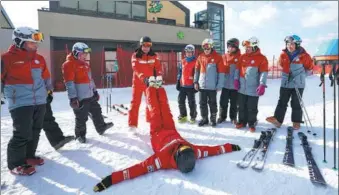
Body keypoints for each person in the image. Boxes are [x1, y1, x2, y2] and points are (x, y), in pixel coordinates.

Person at [92, 85, 241, 192]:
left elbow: (138, 169)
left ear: (177, 155)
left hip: (157, 132)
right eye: (185, 147)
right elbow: (213, 150)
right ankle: (160, 87)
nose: (182, 145)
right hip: (170, 128)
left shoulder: (160, 161)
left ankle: (151, 88)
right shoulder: (195, 151)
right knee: (165, 108)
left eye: (181, 148)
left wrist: (110, 180)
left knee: (156, 109)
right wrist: (229, 147)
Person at [1, 26, 52, 175]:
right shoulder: (6, 58)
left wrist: (48, 92)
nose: (35, 45)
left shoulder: (39, 59)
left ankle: (29, 157)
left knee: (35, 130)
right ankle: (16, 164)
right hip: (20, 102)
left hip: (39, 101)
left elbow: (46, 77)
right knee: (22, 132)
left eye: (35, 43)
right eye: (31, 43)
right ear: (19, 41)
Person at [62, 42, 113, 143]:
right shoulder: (68, 64)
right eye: (83, 54)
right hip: (80, 97)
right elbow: (69, 83)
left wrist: (95, 91)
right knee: (81, 117)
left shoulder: (85, 64)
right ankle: (80, 135)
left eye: (86, 54)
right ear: (75, 53)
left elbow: (91, 79)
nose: (85, 56)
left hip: (90, 94)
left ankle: (101, 127)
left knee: (97, 111)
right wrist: (73, 98)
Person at [266, 35, 314, 130]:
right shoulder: (283, 55)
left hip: (298, 83)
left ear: (297, 44)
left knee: (296, 102)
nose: (289, 46)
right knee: (282, 101)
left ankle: (296, 122)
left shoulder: (304, 56)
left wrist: (300, 76)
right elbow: (281, 64)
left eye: (292, 44)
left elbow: (309, 68)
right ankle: (278, 120)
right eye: (288, 44)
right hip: (286, 82)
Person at [129, 36, 162, 132]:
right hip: (138, 83)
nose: (146, 47)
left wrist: (159, 76)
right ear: (141, 45)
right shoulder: (135, 55)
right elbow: (136, 69)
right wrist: (143, 78)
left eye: (148, 45)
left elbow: (158, 67)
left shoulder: (154, 55)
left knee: (151, 102)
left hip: (150, 82)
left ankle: (150, 119)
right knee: (135, 102)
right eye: (144, 45)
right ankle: (132, 124)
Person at [235, 37, 268, 132]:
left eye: (249, 47)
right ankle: (241, 121)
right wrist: (236, 80)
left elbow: (264, 73)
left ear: (254, 47)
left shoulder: (262, 58)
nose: (247, 49)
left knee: (251, 107)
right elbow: (237, 69)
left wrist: (262, 84)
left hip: (253, 88)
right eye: (246, 48)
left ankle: (251, 123)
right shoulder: (242, 57)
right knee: (241, 106)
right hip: (242, 87)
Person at [194, 38, 225, 127]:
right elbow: (197, 71)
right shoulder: (200, 57)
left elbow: (221, 72)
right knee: (202, 103)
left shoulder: (218, 57)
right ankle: (204, 119)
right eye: (205, 48)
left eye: (208, 48)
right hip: (202, 85)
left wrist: (219, 85)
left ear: (211, 47)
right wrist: (195, 82)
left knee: (212, 103)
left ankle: (213, 119)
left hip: (212, 86)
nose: (206, 50)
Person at [217, 38, 241, 124]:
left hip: (235, 86)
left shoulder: (239, 57)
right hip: (225, 85)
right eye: (229, 47)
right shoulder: (224, 56)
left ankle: (233, 117)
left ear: (236, 47)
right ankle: (222, 116)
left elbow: (240, 71)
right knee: (223, 102)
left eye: (232, 47)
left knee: (234, 103)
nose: (230, 48)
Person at [176, 44, 197, 124]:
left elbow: (197, 74)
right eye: (187, 52)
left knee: (191, 102)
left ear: (193, 53)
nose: (188, 53)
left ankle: (193, 116)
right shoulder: (183, 61)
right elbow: (180, 72)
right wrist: (178, 81)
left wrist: (196, 83)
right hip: (183, 85)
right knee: (180, 101)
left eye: (190, 52)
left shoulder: (196, 62)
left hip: (191, 86)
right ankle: (183, 115)